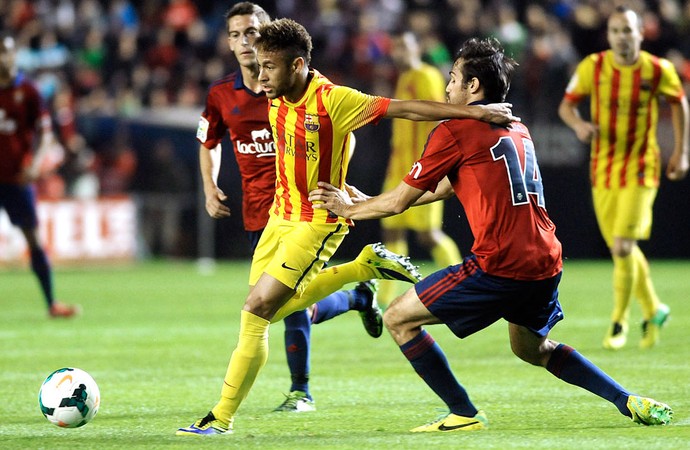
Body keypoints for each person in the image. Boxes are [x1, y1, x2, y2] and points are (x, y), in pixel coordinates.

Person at [309, 37, 673, 432]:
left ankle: (463, 412)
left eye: (453, 79)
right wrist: (375, 199)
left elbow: (398, 204)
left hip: (500, 263)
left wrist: (350, 208)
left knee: (398, 318)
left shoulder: (456, 129)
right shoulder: (517, 127)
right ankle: (627, 400)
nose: (448, 89)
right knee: (533, 350)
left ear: (474, 88)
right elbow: (449, 186)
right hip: (546, 259)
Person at [177, 18, 517, 436]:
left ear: (298, 65)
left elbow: (405, 108)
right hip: (278, 218)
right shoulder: (275, 90)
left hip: (316, 220)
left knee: (256, 312)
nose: (260, 75)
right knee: (272, 311)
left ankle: (220, 416)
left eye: (269, 67)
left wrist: (473, 111)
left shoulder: (334, 99)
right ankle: (361, 273)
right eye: (259, 65)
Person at [194, 2, 386, 413]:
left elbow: (341, 129)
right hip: (258, 213)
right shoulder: (222, 95)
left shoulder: (293, 86)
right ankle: (358, 296)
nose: (245, 41)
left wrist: (337, 175)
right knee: (288, 304)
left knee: (272, 308)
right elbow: (207, 141)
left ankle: (300, 390)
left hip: (302, 208)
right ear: (228, 43)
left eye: (252, 31)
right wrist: (210, 186)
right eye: (236, 34)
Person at [558, 6, 689, 350]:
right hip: (603, 169)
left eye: (628, 31)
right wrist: (579, 126)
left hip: (642, 167)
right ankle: (654, 308)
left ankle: (619, 321)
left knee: (622, 246)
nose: (622, 37)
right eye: (616, 31)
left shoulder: (657, 69)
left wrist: (681, 151)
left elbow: (679, 103)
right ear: (609, 35)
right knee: (622, 251)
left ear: (640, 34)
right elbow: (566, 106)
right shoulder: (594, 67)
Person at [378, 30, 461, 305]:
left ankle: (461, 280)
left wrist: (436, 162)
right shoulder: (403, 77)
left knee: (428, 235)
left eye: (404, 46)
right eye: (396, 47)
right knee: (391, 230)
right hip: (397, 168)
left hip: (422, 169)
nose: (398, 52)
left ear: (416, 48)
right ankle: (385, 296)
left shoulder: (426, 75)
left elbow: (438, 114)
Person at [0, 35, 78, 318]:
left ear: (14, 55)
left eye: (6, 53)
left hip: (17, 178)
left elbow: (46, 133)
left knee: (33, 238)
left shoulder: (29, 91)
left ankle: (51, 303)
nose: (2, 59)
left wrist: (35, 164)